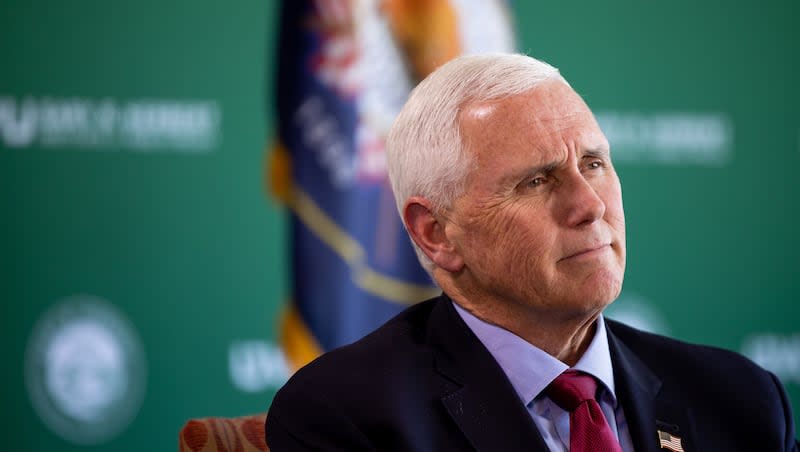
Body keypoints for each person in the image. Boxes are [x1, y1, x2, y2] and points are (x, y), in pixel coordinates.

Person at [265, 53, 799, 451]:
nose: (589, 206)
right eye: (538, 180)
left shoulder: (743, 402)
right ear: (436, 233)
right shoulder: (346, 417)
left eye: (593, 164)